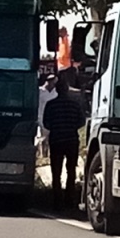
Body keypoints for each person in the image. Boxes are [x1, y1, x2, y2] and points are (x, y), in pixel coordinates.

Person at [42, 79, 85, 210]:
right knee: (71, 170)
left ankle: (57, 200)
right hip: (72, 140)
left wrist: (56, 128)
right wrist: (71, 127)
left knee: (56, 171)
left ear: (56, 90)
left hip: (56, 140)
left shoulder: (51, 105)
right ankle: (69, 199)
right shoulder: (75, 105)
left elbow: (46, 123)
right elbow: (81, 121)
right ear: (67, 90)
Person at [36, 73, 58, 158]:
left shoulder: (55, 93)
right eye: (50, 81)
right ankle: (41, 155)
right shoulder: (39, 91)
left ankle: (47, 155)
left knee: (49, 138)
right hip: (40, 117)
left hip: (51, 118)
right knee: (41, 138)